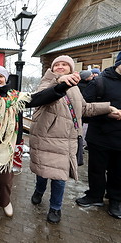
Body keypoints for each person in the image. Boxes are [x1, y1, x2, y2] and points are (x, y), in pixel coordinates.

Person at [0, 65, 77, 221]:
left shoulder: (16, 97)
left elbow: (40, 97)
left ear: (6, 78)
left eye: (1, 76)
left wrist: (62, 86)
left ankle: (5, 202)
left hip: (7, 147)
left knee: (5, 180)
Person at [29, 55, 117, 224]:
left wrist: (107, 107)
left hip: (67, 140)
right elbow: (41, 96)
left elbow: (84, 108)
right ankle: (39, 191)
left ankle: (55, 207)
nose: (60, 67)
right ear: (52, 68)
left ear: (71, 68)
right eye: (57, 65)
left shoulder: (75, 88)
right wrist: (59, 81)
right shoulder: (47, 82)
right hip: (47, 138)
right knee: (43, 171)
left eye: (64, 65)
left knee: (60, 177)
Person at [75, 52, 121, 219]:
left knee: (118, 171)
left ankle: (116, 199)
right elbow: (84, 110)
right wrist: (106, 114)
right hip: (99, 136)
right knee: (96, 169)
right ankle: (95, 195)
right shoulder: (99, 82)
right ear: (118, 63)